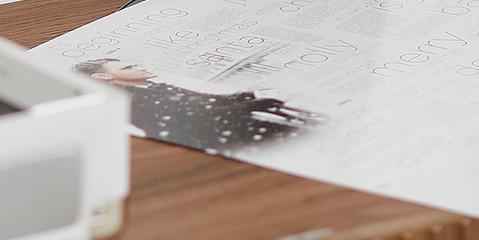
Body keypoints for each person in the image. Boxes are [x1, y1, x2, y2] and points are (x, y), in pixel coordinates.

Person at [72, 58, 309, 152]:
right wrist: (265, 102)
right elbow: (202, 114)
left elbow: (211, 101)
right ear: (104, 78)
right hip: (224, 140)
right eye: (127, 68)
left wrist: (254, 95)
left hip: (237, 127)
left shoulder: (153, 87)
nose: (139, 66)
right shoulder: (131, 100)